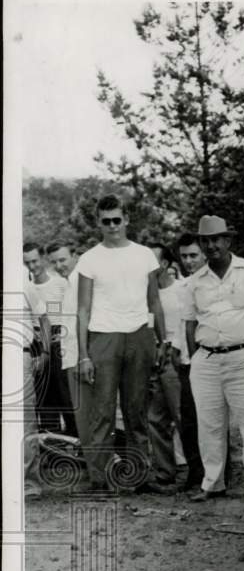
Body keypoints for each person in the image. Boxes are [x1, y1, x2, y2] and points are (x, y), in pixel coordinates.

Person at [76, 194, 170, 492]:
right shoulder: (89, 258)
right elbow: (82, 310)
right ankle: (100, 480)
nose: (113, 226)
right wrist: (83, 355)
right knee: (102, 412)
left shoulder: (144, 255)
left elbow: (154, 300)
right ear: (98, 223)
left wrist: (162, 339)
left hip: (139, 335)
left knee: (136, 411)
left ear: (126, 219)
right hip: (104, 337)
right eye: (106, 221)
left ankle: (138, 476)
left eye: (117, 220)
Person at [180, 215, 244, 502]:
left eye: (216, 239)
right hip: (207, 358)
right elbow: (189, 323)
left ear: (228, 240)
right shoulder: (194, 282)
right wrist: (197, 357)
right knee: (209, 426)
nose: (211, 246)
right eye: (205, 241)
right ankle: (213, 484)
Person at [145, 242, 186, 490]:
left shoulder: (182, 289)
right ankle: (164, 472)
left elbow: (188, 323)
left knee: (181, 414)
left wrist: (176, 350)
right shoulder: (145, 294)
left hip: (174, 356)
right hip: (151, 358)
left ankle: (200, 472)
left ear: (165, 264)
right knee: (155, 418)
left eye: (153, 261)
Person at [23, 242, 76, 436]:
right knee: (44, 399)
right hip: (35, 344)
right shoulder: (25, 286)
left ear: (43, 259)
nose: (32, 267)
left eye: (35, 261)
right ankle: (52, 446)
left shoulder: (59, 284)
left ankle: (75, 442)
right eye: (27, 263)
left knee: (66, 396)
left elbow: (66, 315)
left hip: (58, 344)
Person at [46, 239, 91, 450]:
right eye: (54, 262)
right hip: (70, 356)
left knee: (90, 417)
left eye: (63, 259)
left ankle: (102, 468)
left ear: (75, 255)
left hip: (82, 358)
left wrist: (86, 356)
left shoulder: (83, 280)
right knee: (79, 414)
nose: (59, 266)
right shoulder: (68, 283)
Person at [171, 233, 207, 491]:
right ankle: (195, 472)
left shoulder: (211, 285)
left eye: (193, 255)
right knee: (189, 420)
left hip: (209, 360)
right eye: (184, 256)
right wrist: (176, 349)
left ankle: (217, 472)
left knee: (212, 420)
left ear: (204, 254)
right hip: (185, 362)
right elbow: (180, 323)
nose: (188, 261)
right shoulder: (182, 287)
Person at [19, 281, 52, 497]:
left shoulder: (22, 281)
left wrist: (46, 352)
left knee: (25, 419)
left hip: (19, 354)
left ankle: (30, 482)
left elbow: (43, 318)